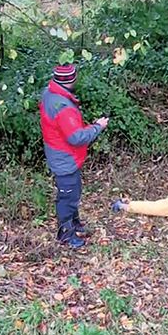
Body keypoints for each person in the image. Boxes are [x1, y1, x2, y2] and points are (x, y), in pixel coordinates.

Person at [39, 64, 109, 248]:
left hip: (61, 154)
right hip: (64, 158)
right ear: (70, 81)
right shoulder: (62, 107)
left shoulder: (50, 93)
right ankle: (66, 234)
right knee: (67, 196)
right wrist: (97, 126)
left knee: (73, 191)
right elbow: (76, 137)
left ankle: (74, 223)